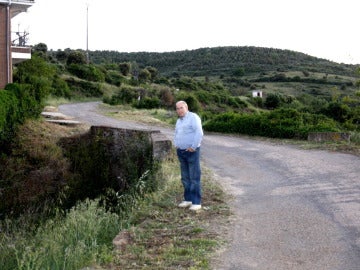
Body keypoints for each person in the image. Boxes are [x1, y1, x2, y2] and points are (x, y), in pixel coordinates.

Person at [174, 100, 204, 211]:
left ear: (186, 107)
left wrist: (193, 147)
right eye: (177, 108)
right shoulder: (179, 121)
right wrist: (176, 144)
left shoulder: (193, 117)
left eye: (181, 107)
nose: (179, 110)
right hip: (181, 152)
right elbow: (176, 133)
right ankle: (188, 200)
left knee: (194, 177)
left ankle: (196, 202)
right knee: (185, 177)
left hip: (192, 152)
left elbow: (199, 132)